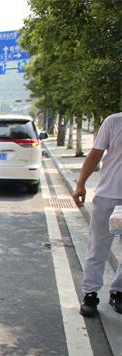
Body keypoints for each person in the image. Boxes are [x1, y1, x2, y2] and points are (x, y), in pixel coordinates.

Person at [73, 112, 122, 316]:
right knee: (98, 247)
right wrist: (80, 184)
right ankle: (90, 293)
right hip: (109, 198)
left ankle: (118, 291)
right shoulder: (114, 121)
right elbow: (95, 154)